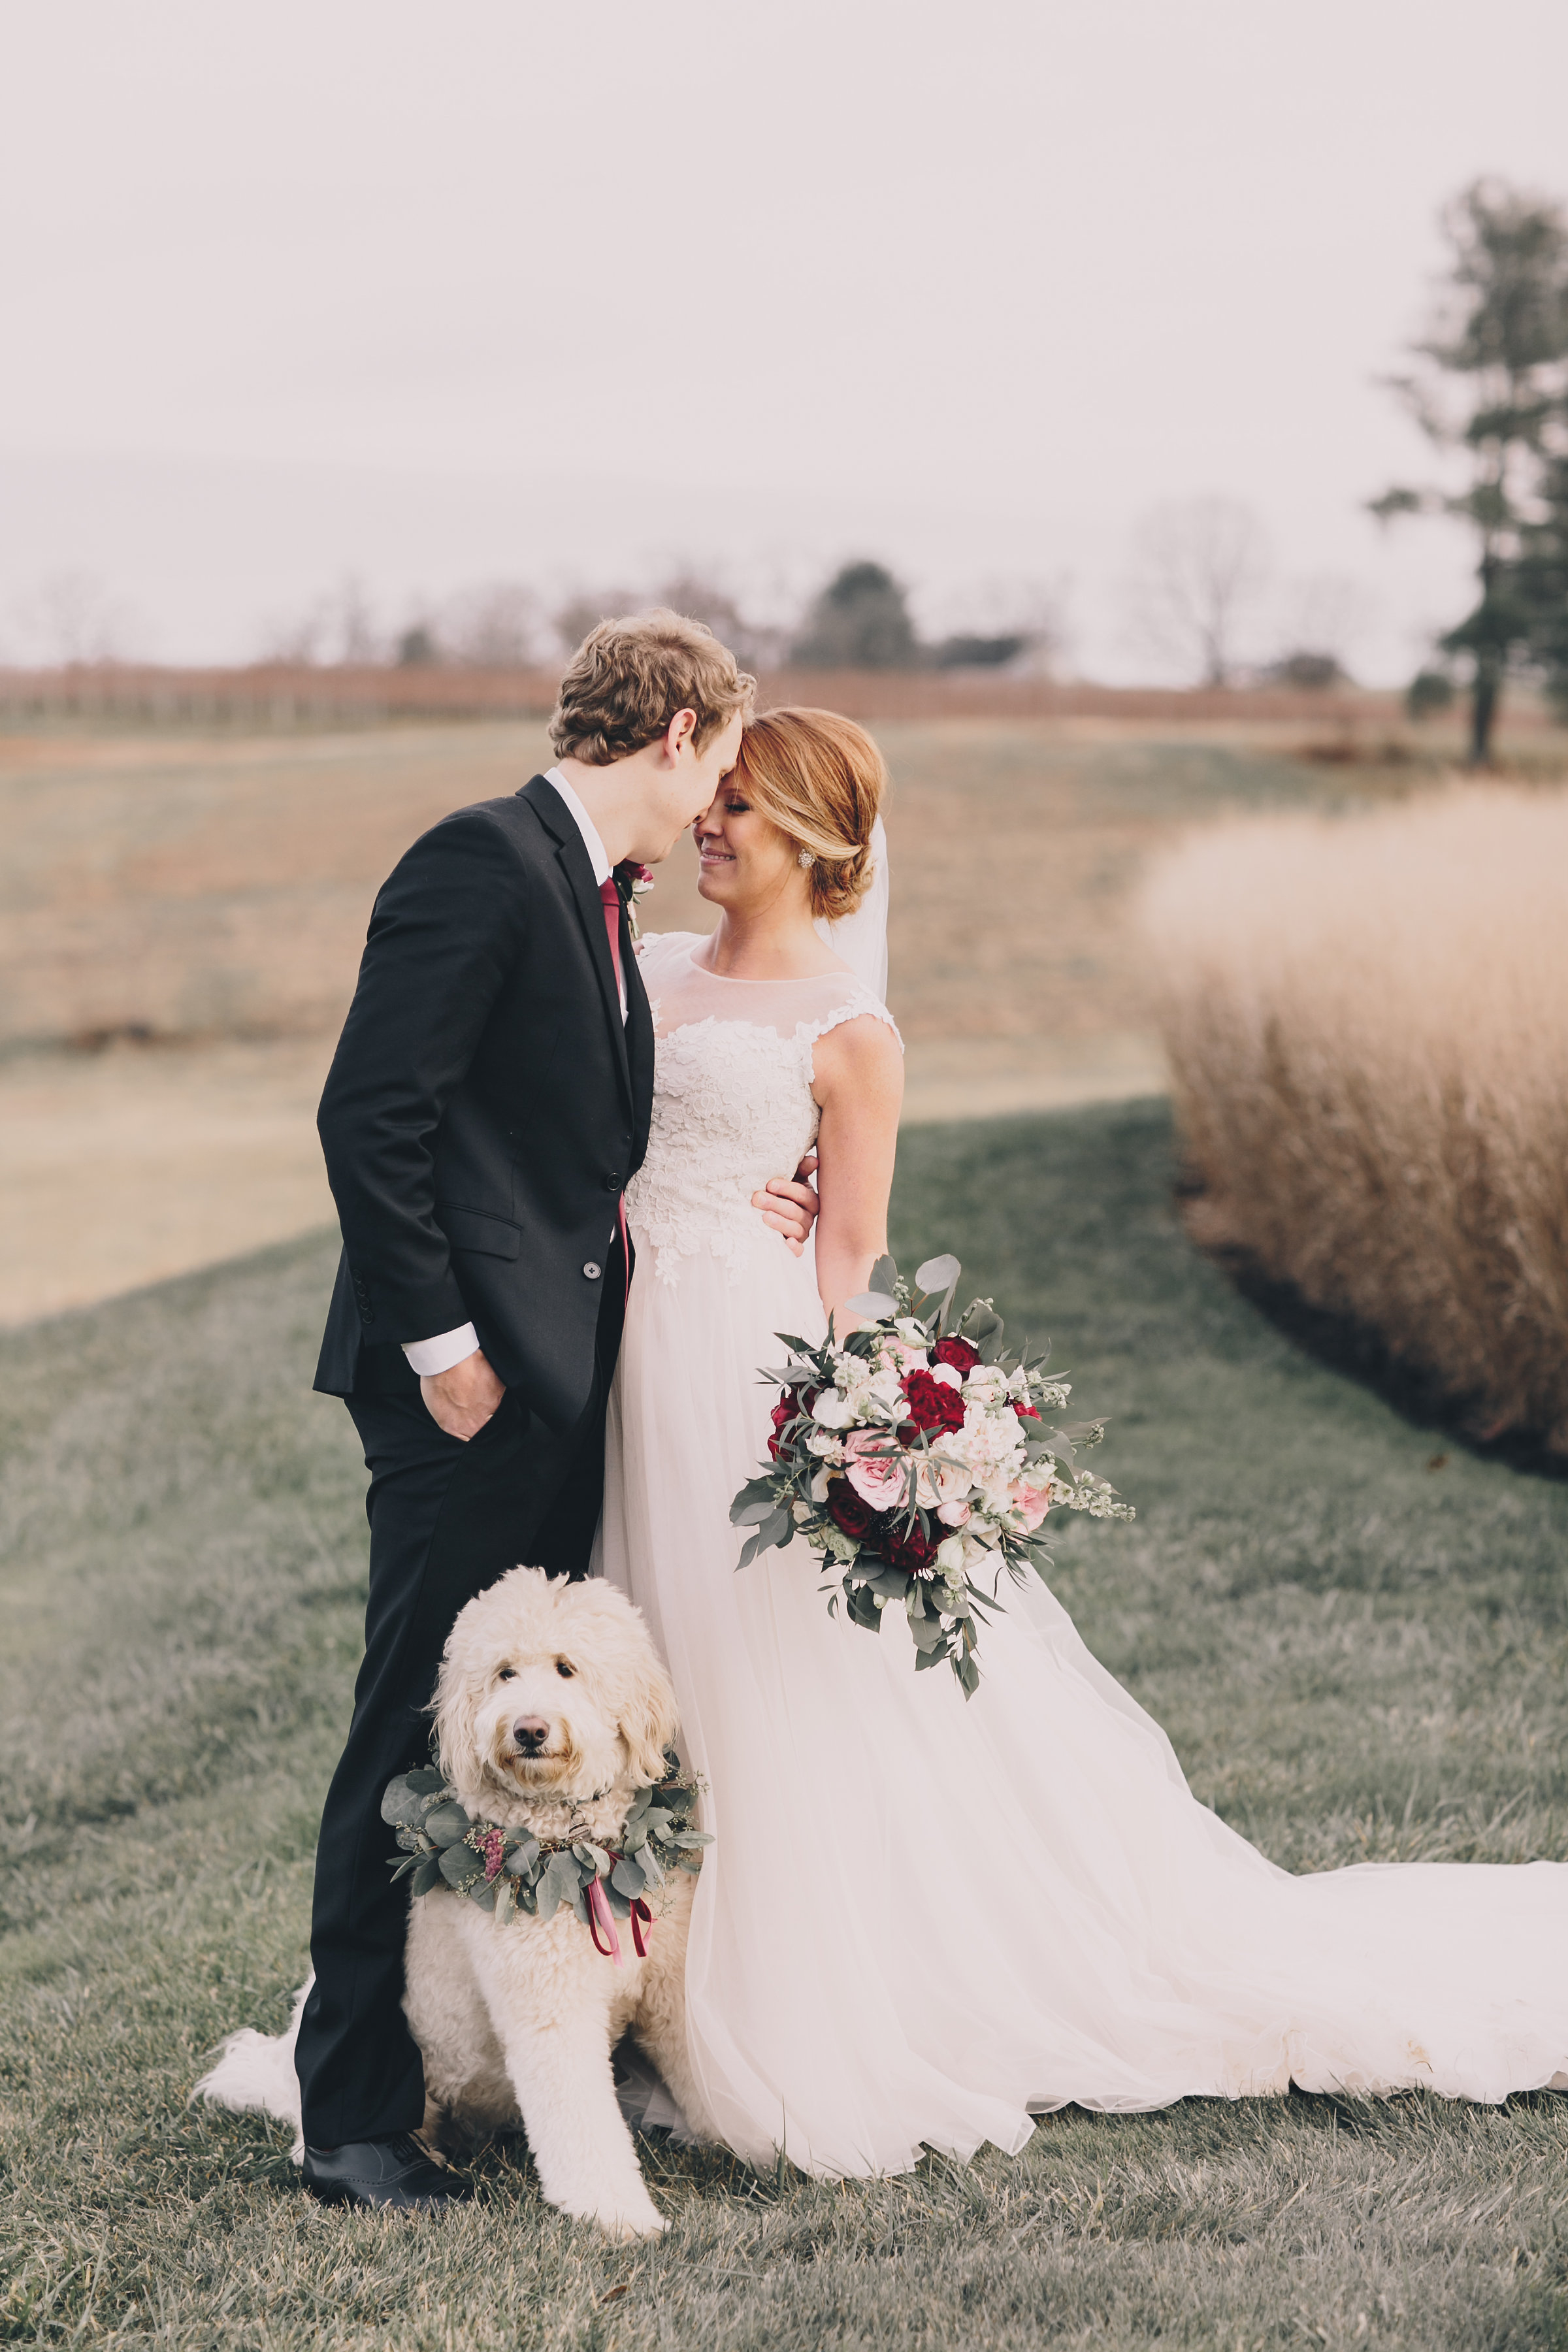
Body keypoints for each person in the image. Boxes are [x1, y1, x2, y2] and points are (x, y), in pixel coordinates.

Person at [598, 704, 1568, 2179]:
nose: (709, 825)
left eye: (742, 806)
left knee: (760, 1678)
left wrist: (846, 1432)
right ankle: (613, 1974)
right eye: (712, 800)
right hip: (621, 1351)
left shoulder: (848, 1032)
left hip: (735, 1375)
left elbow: (849, 1260)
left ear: (817, 838)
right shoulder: (646, 969)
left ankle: (775, 1989)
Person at [295, 614, 822, 2211]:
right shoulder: (480, 862)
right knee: (412, 1728)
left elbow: (567, 1139)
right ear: (676, 735)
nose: (719, 796)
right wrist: (445, 1343)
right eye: (721, 763)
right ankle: (356, 2119)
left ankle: (517, 2041)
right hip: (464, 1390)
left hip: (555, 1382)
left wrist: (761, 1190)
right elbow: (369, 1112)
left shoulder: (595, 895)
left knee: (513, 1741)